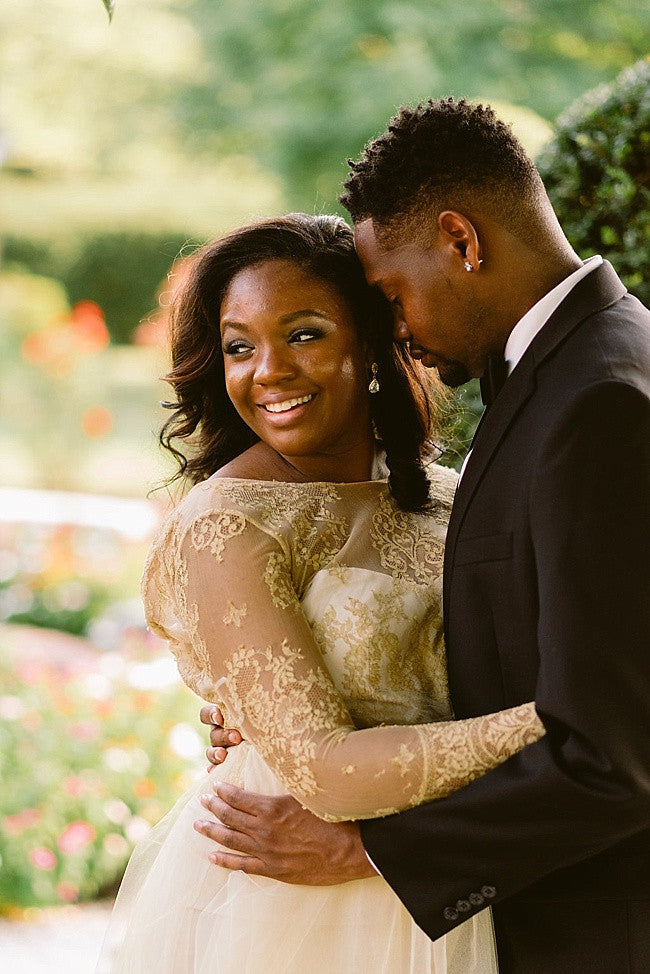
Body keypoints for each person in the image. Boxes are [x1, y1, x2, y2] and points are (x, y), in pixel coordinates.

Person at [199, 102, 650, 973]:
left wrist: (368, 848)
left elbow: (614, 752)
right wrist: (286, 704)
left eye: (392, 293)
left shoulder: (596, 405)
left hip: (587, 932)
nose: (395, 328)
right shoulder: (575, 374)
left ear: (462, 240)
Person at [98, 213, 544, 973]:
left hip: (455, 877)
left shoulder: (453, 497)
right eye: (240, 346)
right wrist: (560, 722)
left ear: (369, 344)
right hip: (298, 894)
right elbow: (325, 771)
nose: (266, 369)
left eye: (303, 333)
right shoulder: (227, 522)